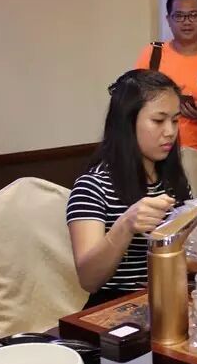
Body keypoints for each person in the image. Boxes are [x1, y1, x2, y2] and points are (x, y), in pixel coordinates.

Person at [66, 70, 190, 308]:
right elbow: (89, 279)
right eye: (158, 120)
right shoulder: (92, 186)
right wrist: (126, 225)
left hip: (168, 298)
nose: (170, 131)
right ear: (127, 123)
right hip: (116, 307)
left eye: (175, 121)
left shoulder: (172, 180)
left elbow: (183, 255)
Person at [135, 0, 197, 156]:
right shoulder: (153, 54)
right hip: (157, 155)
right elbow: (134, 101)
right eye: (179, 16)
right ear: (168, 20)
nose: (186, 22)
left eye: (193, 15)